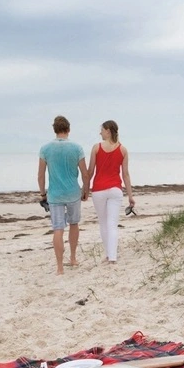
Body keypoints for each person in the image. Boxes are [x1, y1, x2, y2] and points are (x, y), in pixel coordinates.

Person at [38, 115, 89, 275]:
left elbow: (40, 175)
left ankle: (60, 267)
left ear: (55, 130)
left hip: (54, 195)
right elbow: (85, 174)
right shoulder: (77, 148)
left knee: (58, 229)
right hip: (73, 193)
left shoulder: (45, 149)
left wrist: (42, 194)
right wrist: (85, 190)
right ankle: (73, 258)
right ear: (68, 129)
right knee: (74, 224)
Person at [87, 120, 135, 264]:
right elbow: (125, 174)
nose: (100, 132)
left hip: (99, 190)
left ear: (108, 130)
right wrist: (130, 196)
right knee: (112, 224)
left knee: (103, 223)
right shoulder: (123, 150)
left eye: (101, 129)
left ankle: (108, 255)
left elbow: (90, 172)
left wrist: (84, 189)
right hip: (115, 189)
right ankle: (112, 258)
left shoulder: (96, 148)